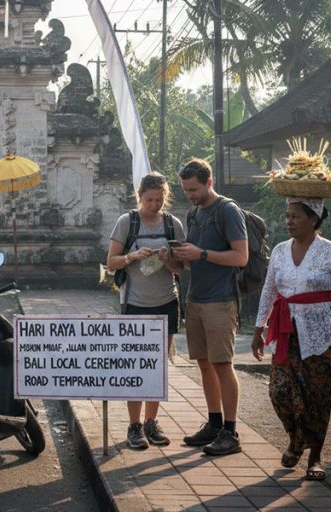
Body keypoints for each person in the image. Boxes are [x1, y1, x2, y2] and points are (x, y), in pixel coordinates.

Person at [251, 197, 331, 481]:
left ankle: (315, 455)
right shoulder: (279, 251)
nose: (288, 221)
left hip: (322, 333)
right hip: (286, 331)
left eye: (295, 216)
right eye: (287, 216)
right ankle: (296, 438)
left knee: (317, 395)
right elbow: (268, 291)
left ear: (313, 219)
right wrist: (258, 328)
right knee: (279, 390)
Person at [172, 158, 248, 456]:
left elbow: (240, 257)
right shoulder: (193, 214)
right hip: (196, 297)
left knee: (222, 364)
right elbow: (191, 261)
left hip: (221, 298)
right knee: (203, 362)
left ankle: (231, 431)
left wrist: (201, 253)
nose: (190, 194)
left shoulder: (227, 211)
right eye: (186, 190)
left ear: (209, 183)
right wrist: (175, 258)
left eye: (194, 189)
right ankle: (214, 423)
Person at [107, 172, 185, 449]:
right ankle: (134, 425)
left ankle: (152, 422)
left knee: (158, 366)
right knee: (136, 365)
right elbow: (111, 262)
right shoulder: (127, 222)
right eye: (150, 199)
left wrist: (169, 260)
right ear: (139, 197)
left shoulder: (173, 225)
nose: (155, 205)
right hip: (135, 303)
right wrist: (132, 256)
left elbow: (180, 270)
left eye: (159, 200)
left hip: (166, 301)